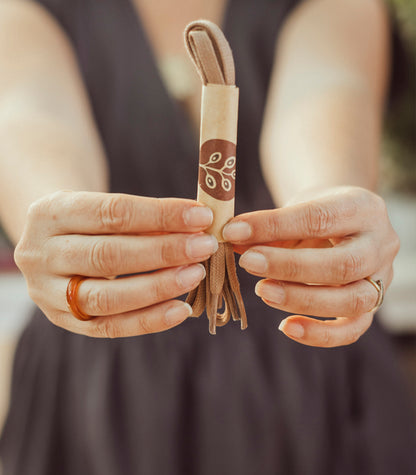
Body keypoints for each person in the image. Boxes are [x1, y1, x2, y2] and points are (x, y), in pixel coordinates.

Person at [0, 0, 414, 474]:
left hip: (301, 372)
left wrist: (327, 206)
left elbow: (327, 91)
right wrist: (64, 223)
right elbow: (29, 113)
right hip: (100, 379)